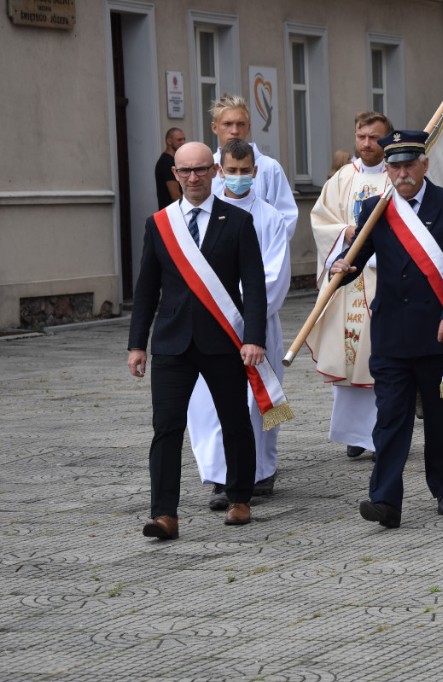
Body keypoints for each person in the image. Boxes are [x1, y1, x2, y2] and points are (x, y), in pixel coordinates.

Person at [329, 130, 443, 529]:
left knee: (442, 414)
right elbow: (356, 255)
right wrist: (342, 268)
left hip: (437, 330)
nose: (402, 172)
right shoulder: (377, 208)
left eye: (410, 164)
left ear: (424, 165)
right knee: (390, 417)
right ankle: (385, 499)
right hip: (392, 331)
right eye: (395, 166)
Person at [127, 141, 268, 539]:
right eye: (185, 171)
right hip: (172, 342)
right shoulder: (160, 224)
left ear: (216, 171)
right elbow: (146, 288)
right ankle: (164, 515)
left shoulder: (237, 222)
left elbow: (254, 288)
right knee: (166, 427)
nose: (193, 178)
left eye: (201, 170)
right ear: (175, 174)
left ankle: (240, 498)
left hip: (223, 340)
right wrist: (137, 344)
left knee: (235, 421)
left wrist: (254, 338)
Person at [187, 139, 290, 508]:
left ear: (255, 172)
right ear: (220, 171)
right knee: (210, 402)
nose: (239, 177)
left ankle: (260, 472)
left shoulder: (269, 217)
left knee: (257, 401)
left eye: (245, 171)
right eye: (231, 171)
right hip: (210, 326)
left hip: (255, 325)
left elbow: (275, 275)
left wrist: (245, 314)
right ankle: (220, 476)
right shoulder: (203, 214)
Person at [309, 112, 393, 461]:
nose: (366, 143)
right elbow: (320, 221)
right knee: (348, 359)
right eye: (361, 136)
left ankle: (380, 433)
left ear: (386, 139)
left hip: (383, 280)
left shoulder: (397, 177)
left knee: (380, 362)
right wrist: (344, 233)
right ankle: (355, 434)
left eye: (374, 137)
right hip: (349, 281)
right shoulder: (343, 177)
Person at [209, 94, 298, 240]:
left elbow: (286, 217)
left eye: (241, 124)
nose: (235, 130)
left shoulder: (269, 167)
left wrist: (267, 249)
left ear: (249, 127)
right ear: (214, 127)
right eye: (228, 124)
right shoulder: (208, 167)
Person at [155, 128, 185, 208]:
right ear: (169, 141)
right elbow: (175, 195)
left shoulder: (172, 160)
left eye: (184, 139)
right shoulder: (167, 162)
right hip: (171, 213)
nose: (183, 142)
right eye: (179, 140)